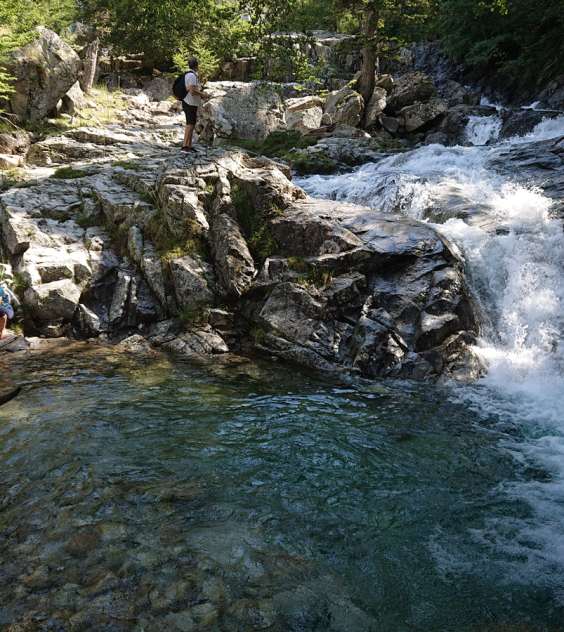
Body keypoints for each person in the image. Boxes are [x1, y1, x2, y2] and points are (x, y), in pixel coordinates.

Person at [181, 57, 209, 153]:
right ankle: (184, 146)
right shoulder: (192, 76)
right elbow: (192, 91)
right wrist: (202, 94)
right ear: (196, 66)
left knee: (192, 124)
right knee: (190, 125)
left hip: (189, 102)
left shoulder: (188, 74)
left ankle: (189, 146)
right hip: (190, 103)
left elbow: (191, 90)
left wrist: (199, 95)